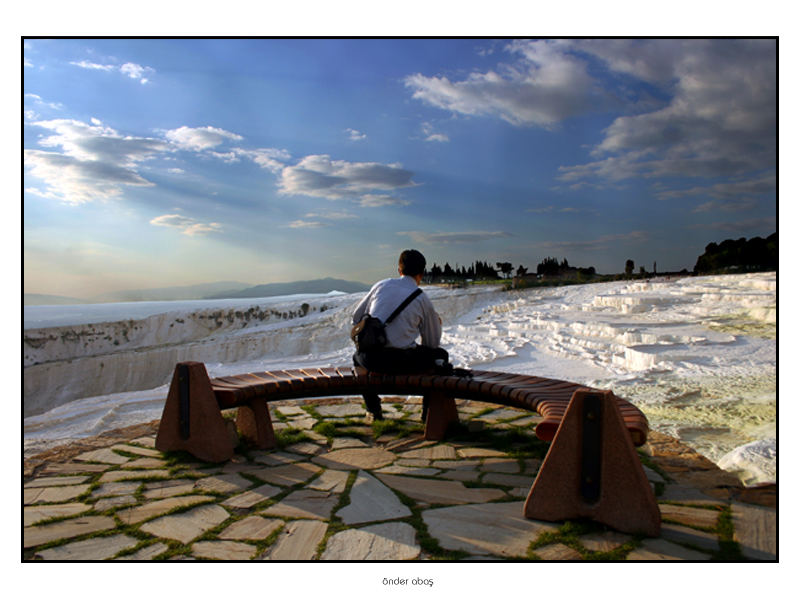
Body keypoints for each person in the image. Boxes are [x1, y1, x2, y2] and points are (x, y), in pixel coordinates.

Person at [352, 249, 451, 421]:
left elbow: (356, 317)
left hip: (373, 359)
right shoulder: (422, 299)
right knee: (440, 356)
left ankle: (373, 409)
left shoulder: (381, 285)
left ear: (399, 270)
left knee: (357, 358)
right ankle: (429, 414)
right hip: (403, 362)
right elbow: (432, 343)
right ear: (421, 274)